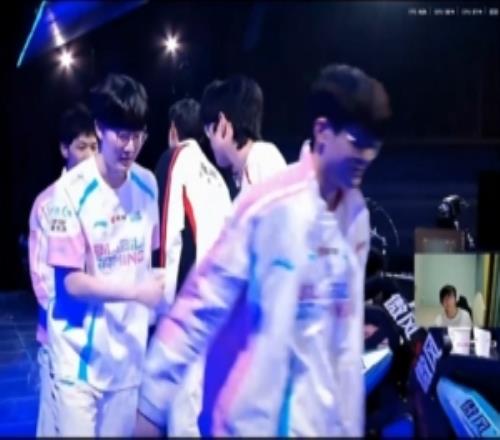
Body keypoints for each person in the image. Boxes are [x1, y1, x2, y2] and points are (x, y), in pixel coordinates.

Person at [135, 63, 391, 437]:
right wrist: (150, 407)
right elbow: (200, 303)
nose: (365, 155)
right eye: (356, 141)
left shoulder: (356, 217)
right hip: (252, 423)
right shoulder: (269, 204)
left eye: (373, 145)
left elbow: (345, 341)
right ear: (322, 131)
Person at [45, 73, 164, 436]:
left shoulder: (147, 184)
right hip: (78, 357)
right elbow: (70, 283)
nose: (130, 146)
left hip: (127, 356)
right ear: (99, 128)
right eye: (121, 135)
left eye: (137, 135)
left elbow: (150, 260)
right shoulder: (71, 190)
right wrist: (135, 292)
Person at [152, 98, 232, 436]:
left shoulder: (175, 158)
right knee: (198, 401)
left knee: (181, 403)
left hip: (187, 302)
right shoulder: (216, 174)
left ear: (173, 129)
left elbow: (166, 233)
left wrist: (159, 306)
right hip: (219, 298)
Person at [28, 103, 98, 437]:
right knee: (54, 426)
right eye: (81, 147)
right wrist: (69, 325)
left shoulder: (107, 198)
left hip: (102, 340)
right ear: (64, 149)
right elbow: (42, 281)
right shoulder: (48, 202)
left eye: (95, 147)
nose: (89, 156)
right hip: (61, 337)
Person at [201, 74, 287, 196]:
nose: (209, 141)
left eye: (208, 130)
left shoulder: (262, 160)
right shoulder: (248, 169)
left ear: (222, 124)